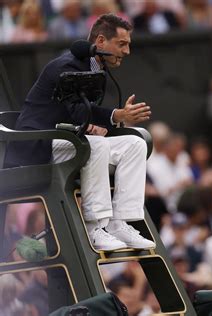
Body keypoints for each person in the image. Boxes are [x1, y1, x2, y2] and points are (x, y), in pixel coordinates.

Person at [5, 14, 155, 251]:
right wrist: (107, 119)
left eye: (128, 45)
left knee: (135, 145)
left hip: (67, 141)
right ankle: (95, 226)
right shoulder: (67, 67)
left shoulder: (97, 68)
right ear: (101, 41)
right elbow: (76, 112)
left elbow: (84, 112)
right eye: (122, 44)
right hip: (39, 145)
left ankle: (121, 222)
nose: (127, 51)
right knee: (96, 145)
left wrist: (113, 118)